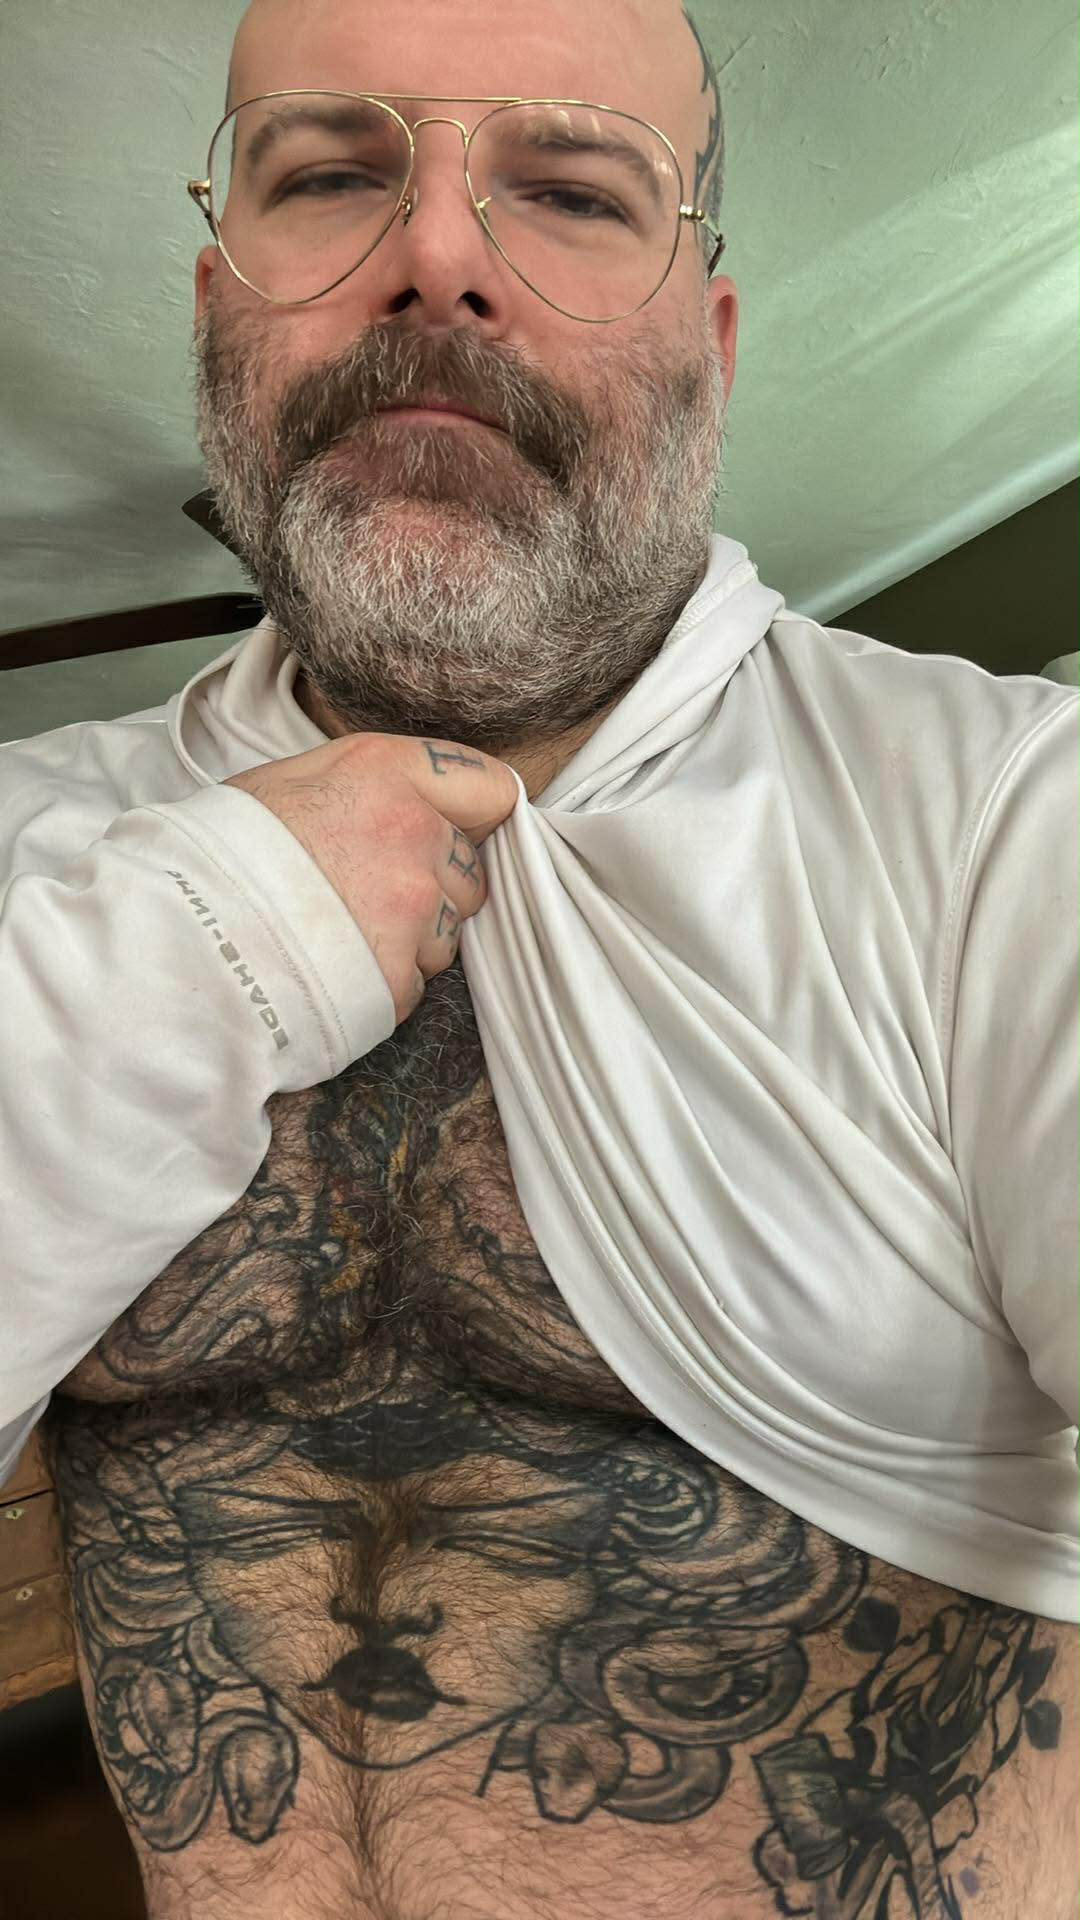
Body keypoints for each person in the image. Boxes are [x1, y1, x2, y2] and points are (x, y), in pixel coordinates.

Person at [1, 0, 1077, 1913]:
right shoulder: (37, 848)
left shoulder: (1010, 824)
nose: (436, 255)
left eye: (574, 190)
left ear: (710, 349)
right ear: (216, 310)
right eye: (332, 174)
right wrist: (209, 941)